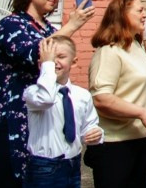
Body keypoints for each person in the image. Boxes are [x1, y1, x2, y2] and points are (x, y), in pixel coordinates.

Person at [0, 0, 94, 188]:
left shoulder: (48, 29)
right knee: (9, 180)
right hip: (14, 119)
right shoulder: (10, 24)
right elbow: (35, 54)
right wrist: (72, 26)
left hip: (45, 122)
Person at [87, 0, 146, 188]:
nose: (144, 15)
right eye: (139, 10)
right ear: (122, 14)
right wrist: (142, 113)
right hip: (116, 145)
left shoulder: (135, 46)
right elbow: (102, 98)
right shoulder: (109, 51)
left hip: (141, 141)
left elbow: (140, 80)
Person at [22, 35, 103, 188]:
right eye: (50, 58)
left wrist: (96, 133)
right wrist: (47, 65)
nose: (54, 62)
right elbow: (47, 98)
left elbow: (89, 125)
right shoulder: (33, 93)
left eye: (61, 57)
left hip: (72, 164)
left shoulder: (82, 95)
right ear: (41, 64)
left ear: (74, 61)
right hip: (43, 167)